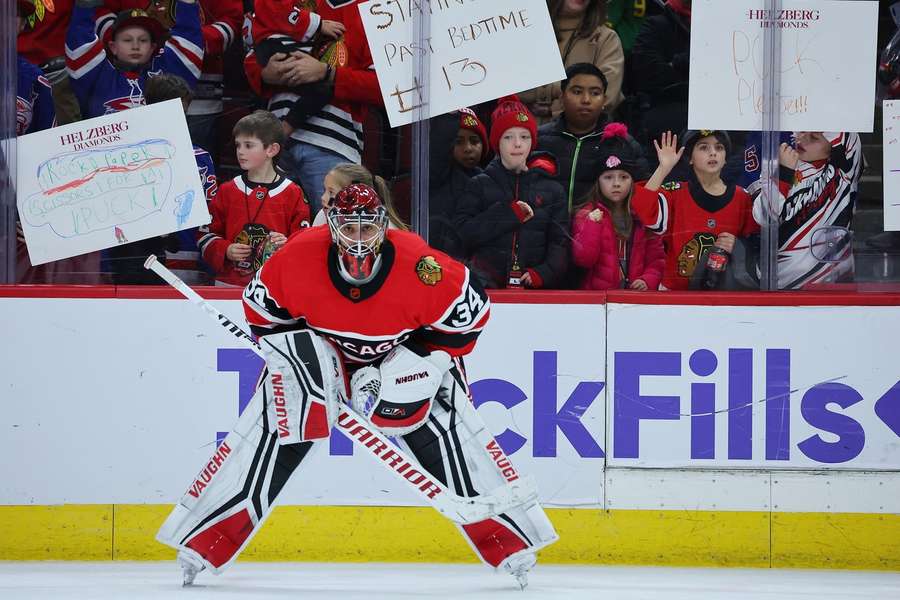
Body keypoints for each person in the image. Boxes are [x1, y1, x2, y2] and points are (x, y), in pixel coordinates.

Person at [157, 183, 558, 589]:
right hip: (326, 355)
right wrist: (307, 361)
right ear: (332, 224)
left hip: (400, 356)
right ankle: (203, 543)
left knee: (448, 427)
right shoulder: (296, 256)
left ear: (384, 225)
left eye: (368, 228)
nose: (359, 237)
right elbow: (263, 318)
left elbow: (470, 319)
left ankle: (511, 542)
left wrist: (420, 362)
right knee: (273, 427)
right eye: (349, 226)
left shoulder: (421, 265)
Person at [243, 0, 383, 213]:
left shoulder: (374, 9)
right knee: (268, 234)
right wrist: (263, 73)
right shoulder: (296, 4)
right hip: (275, 142)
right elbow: (258, 47)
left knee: (334, 231)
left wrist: (328, 73)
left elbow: (384, 88)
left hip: (332, 144)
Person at [455, 96, 570, 289]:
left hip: (535, 293)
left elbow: (560, 243)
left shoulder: (553, 189)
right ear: (496, 143)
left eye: (524, 137)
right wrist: (507, 214)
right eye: (508, 137)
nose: (517, 144)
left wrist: (543, 273)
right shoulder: (478, 185)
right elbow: (461, 235)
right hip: (486, 288)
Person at [632, 130, 759, 290]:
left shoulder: (743, 198)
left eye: (719, 148)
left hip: (723, 295)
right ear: (690, 158)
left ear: (726, 157)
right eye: (704, 148)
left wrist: (739, 245)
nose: (713, 153)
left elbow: (758, 244)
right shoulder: (675, 193)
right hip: (674, 294)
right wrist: (663, 169)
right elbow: (641, 210)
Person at [198, 110, 310, 287]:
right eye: (238, 145)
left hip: (273, 287)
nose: (240, 152)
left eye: (248, 145)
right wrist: (225, 249)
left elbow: (304, 242)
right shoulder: (227, 190)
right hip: (228, 285)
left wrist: (287, 244)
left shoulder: (293, 193)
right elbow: (205, 235)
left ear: (271, 149)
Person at [752, 132, 863, 289]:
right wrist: (784, 174)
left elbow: (846, 127)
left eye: (814, 138)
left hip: (831, 280)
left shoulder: (843, 171)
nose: (802, 139)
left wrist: (816, 115)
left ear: (833, 144)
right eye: (803, 132)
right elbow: (764, 217)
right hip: (780, 283)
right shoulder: (776, 166)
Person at [537, 62, 647, 215]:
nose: (586, 100)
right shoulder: (538, 139)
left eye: (595, 93)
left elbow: (643, 197)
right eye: (577, 92)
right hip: (544, 235)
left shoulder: (622, 143)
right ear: (562, 97)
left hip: (599, 235)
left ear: (604, 100)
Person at [65, 0, 203, 119]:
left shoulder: (166, 72)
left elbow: (189, 40)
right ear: (113, 46)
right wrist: (84, 7)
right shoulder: (98, 76)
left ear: (152, 47)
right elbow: (80, 42)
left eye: (143, 40)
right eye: (127, 40)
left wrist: (187, 4)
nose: (135, 46)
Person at [145, 73, 219, 285]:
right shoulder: (123, 159)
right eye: (169, 112)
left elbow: (209, 214)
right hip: (135, 257)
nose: (178, 118)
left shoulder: (200, 159)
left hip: (185, 256)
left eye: (182, 112)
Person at [571, 123, 665, 291]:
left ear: (632, 180)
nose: (616, 184)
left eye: (623, 177)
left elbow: (656, 260)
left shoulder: (643, 215)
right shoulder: (586, 214)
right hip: (599, 301)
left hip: (636, 300)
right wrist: (592, 224)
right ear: (597, 181)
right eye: (608, 177)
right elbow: (584, 259)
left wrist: (647, 280)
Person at [247, 0, 346, 139]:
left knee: (321, 89)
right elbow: (275, 9)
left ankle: (278, 131)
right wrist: (319, 25)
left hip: (333, 135)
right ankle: (283, 130)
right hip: (274, 45)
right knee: (321, 90)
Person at [519, 0, 625, 122]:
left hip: (581, 138)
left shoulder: (606, 39)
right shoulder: (524, 32)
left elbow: (607, 96)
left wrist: (553, 109)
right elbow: (513, 88)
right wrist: (573, 90)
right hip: (520, 134)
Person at [628, 0, 691, 146]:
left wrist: (676, 63)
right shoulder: (656, 24)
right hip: (665, 127)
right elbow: (647, 75)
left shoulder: (728, 27)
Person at [428, 107, 488, 257]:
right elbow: (439, 144)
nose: (468, 148)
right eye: (459, 142)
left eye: (475, 141)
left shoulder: (489, 181)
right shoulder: (438, 175)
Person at [17, 0, 82, 125]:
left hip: (58, 69)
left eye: (15, 16)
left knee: (62, 132)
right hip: (14, 64)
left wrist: (73, 59)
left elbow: (84, 19)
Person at [315, 163, 407, 230]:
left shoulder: (385, 228)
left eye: (331, 192)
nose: (323, 198)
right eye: (325, 190)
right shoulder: (323, 215)